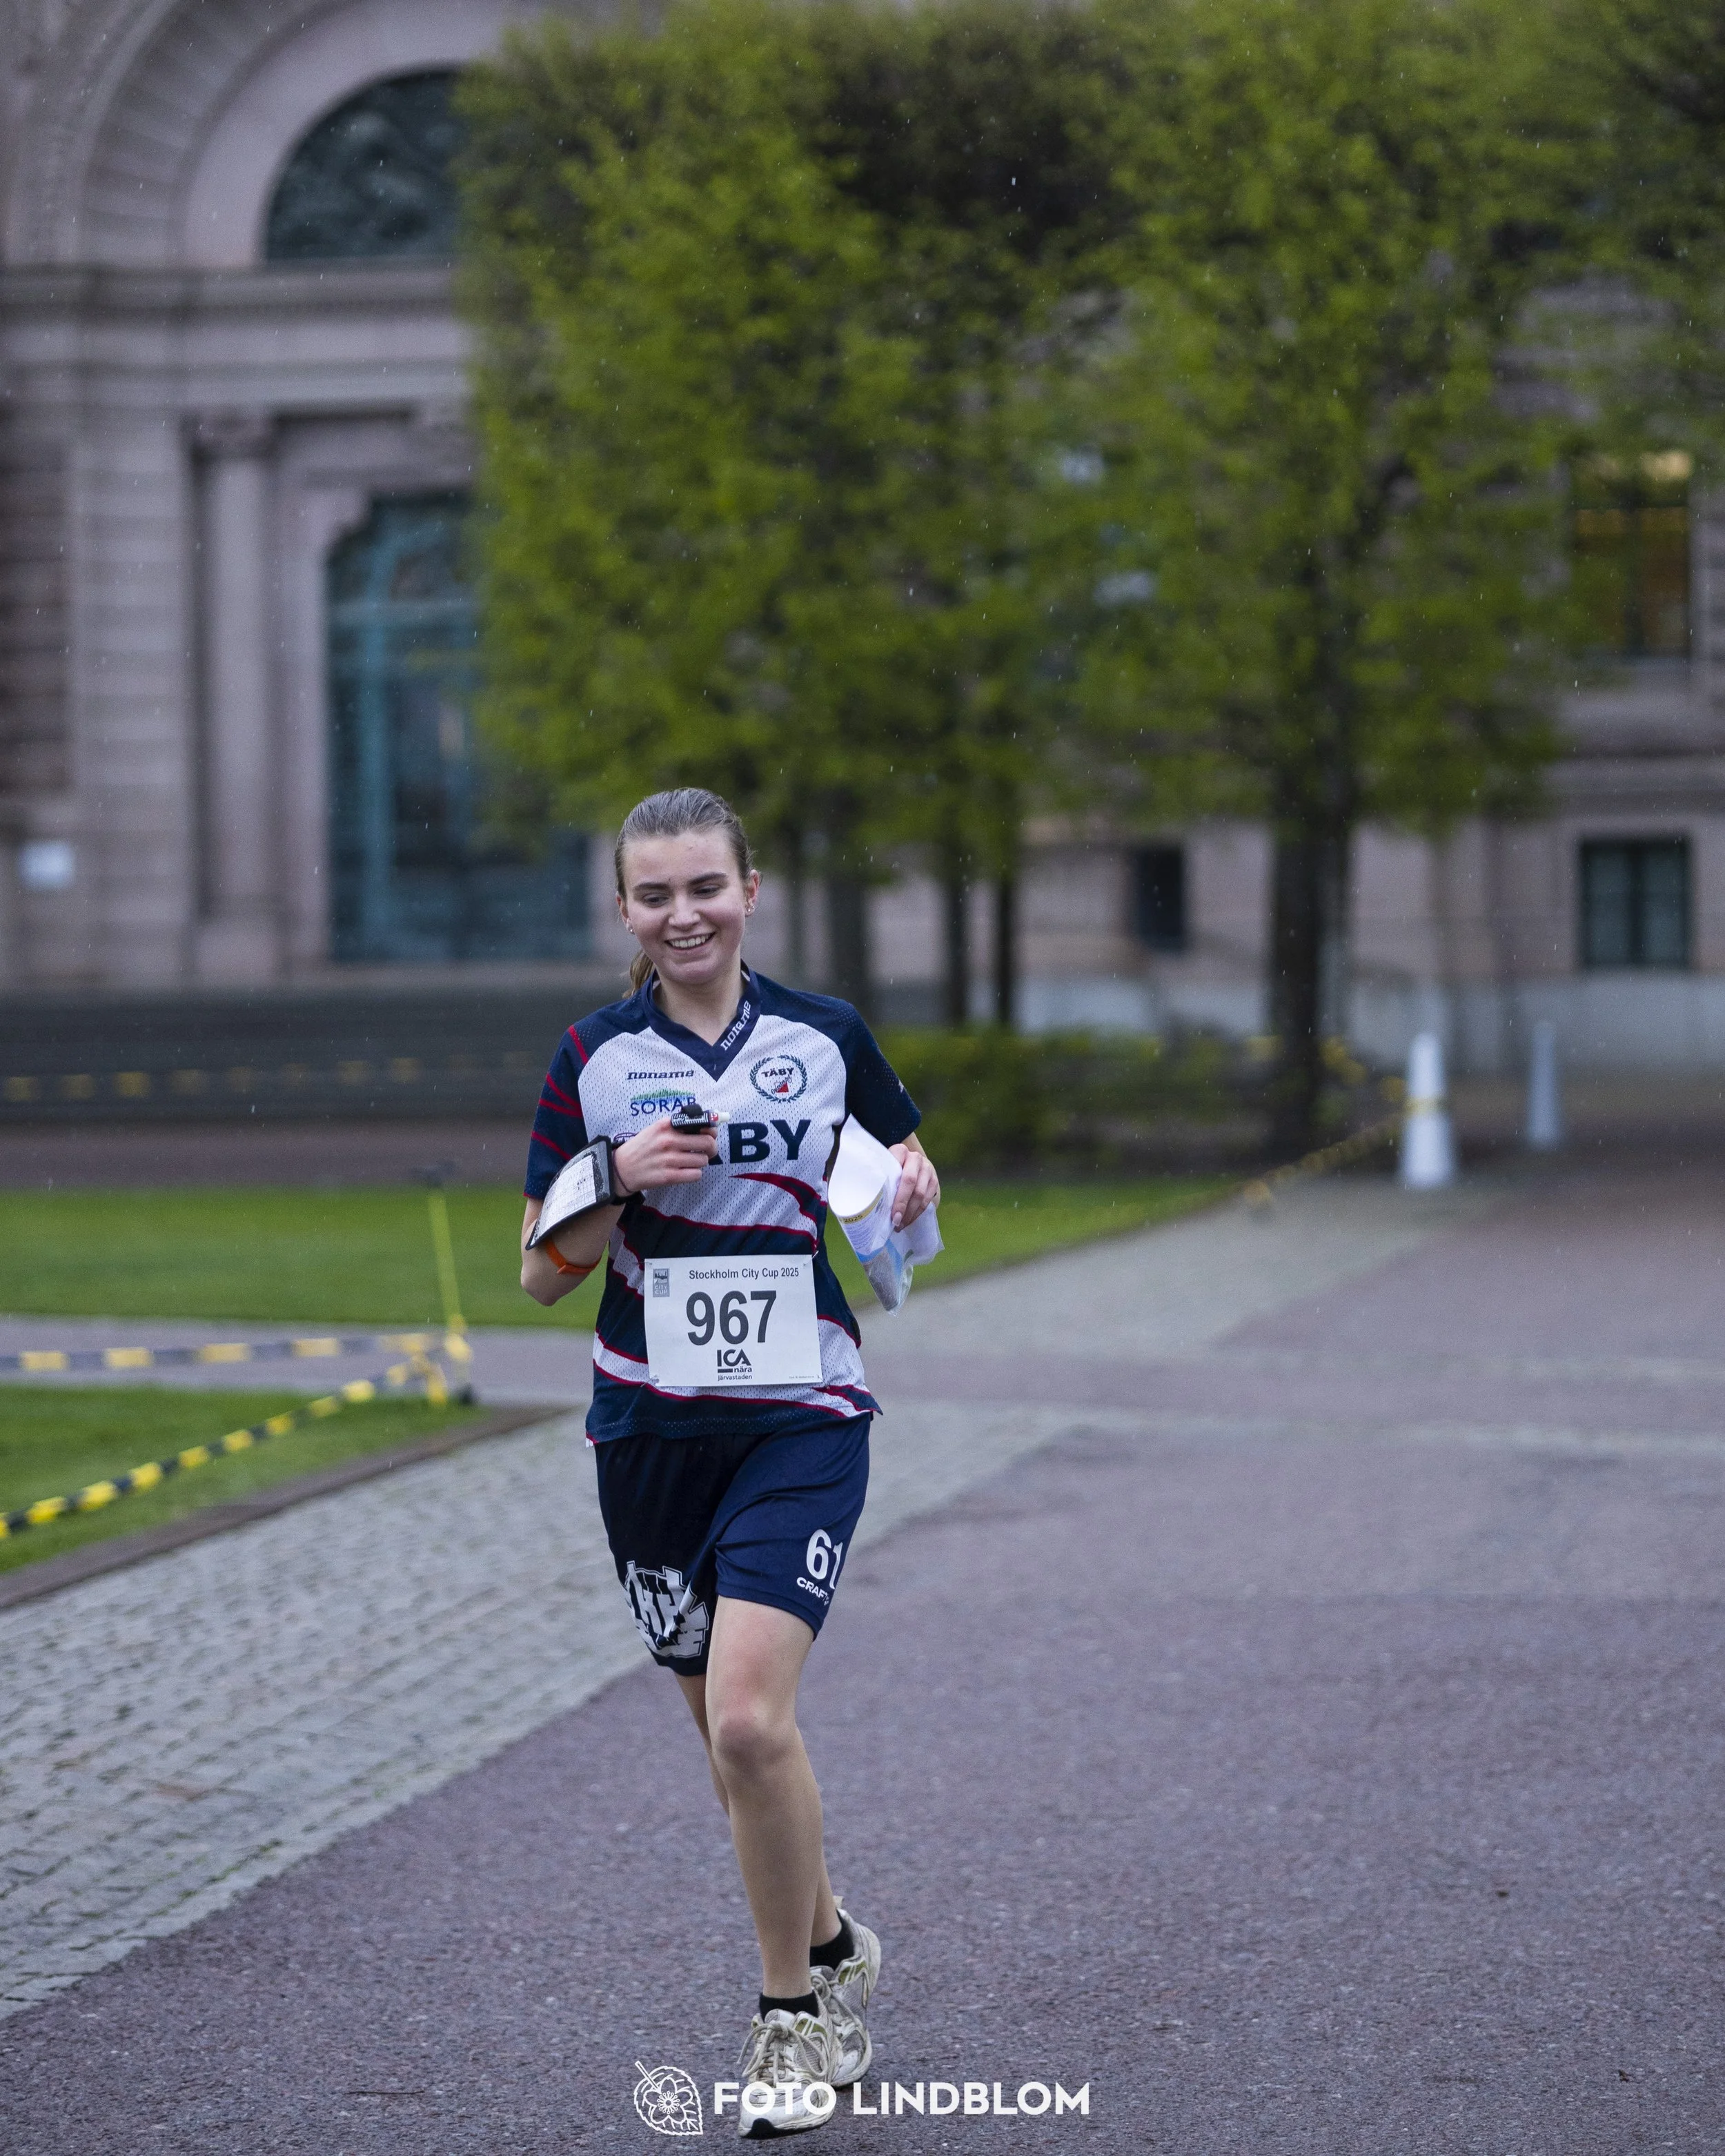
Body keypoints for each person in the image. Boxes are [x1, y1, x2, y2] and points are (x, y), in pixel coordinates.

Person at [520, 788, 938, 2139]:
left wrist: (909, 1186)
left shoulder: (825, 1037)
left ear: (750, 889)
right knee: (722, 1742)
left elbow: (895, 1177)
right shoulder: (592, 1056)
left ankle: (789, 2020)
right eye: (654, 894)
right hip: (646, 1427)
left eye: (705, 885)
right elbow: (538, 1271)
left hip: (798, 1413)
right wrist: (615, 1172)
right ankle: (827, 1937)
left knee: (754, 1720)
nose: (682, 913)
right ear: (623, 911)